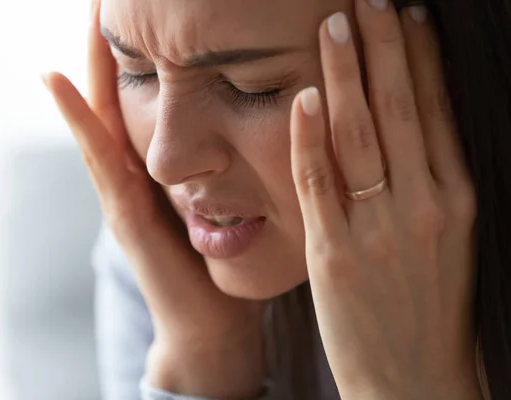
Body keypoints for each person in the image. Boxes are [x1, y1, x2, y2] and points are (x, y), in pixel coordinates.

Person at [42, 0, 511, 398]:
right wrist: (204, 356)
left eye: (252, 88)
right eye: (136, 72)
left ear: (433, 64)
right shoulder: (162, 249)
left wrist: (407, 384)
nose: (165, 162)